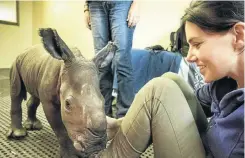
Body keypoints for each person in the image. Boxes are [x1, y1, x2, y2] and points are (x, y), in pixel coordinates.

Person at [102, 1, 244, 158]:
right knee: (172, 81)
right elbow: (188, 102)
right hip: (206, 146)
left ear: (238, 36)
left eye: (197, 44)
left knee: (158, 92)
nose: (189, 57)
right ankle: (119, 127)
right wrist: (125, 123)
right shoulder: (225, 82)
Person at [84, 1, 140, 118]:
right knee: (102, 64)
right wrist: (86, 8)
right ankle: (103, 116)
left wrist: (136, 4)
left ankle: (125, 117)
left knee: (121, 61)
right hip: (95, 5)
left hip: (122, 3)